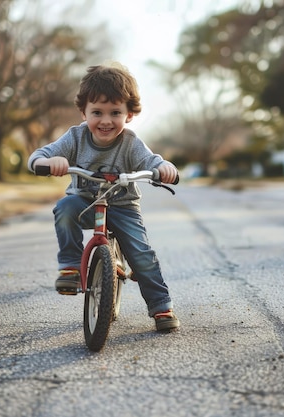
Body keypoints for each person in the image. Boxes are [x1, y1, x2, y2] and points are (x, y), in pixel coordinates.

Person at [27, 62, 180, 332]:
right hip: (84, 202)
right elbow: (39, 155)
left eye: (115, 112)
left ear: (130, 114)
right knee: (64, 208)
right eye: (97, 112)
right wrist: (49, 162)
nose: (106, 120)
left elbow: (152, 160)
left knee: (142, 255)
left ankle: (161, 307)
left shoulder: (131, 143)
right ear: (83, 112)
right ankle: (71, 267)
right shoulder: (75, 137)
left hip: (122, 206)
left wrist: (162, 168)